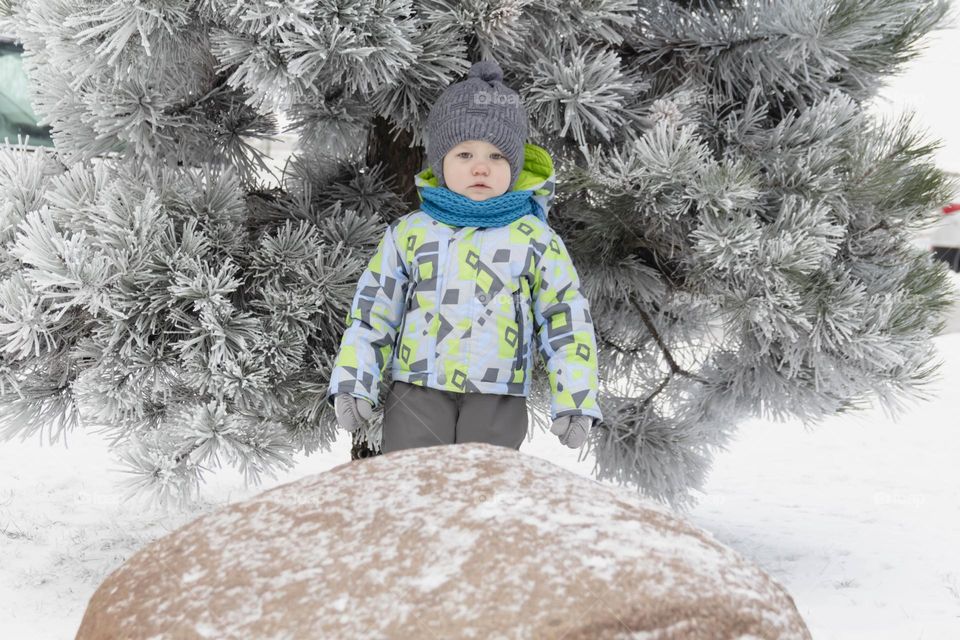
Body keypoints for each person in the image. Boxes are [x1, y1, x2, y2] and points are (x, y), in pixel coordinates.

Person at [325, 59, 603, 453]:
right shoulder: (410, 233)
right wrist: (355, 380)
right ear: (441, 162)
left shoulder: (535, 239)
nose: (481, 168)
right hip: (417, 391)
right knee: (414, 487)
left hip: (497, 397)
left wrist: (576, 397)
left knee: (485, 496)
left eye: (496, 157)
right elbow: (374, 313)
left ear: (515, 164)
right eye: (464, 155)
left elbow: (566, 318)